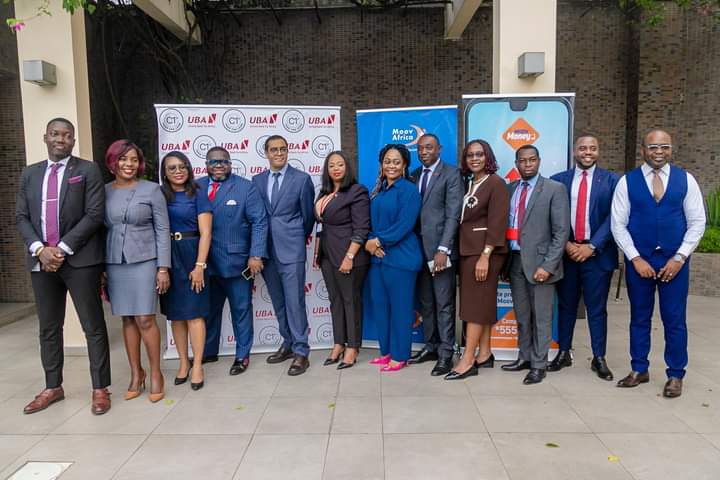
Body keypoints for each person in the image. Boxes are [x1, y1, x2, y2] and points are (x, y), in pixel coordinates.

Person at [15, 118, 111, 415]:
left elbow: (94, 214)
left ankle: (100, 388)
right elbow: (21, 216)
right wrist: (40, 250)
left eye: (67, 135)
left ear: (73, 140)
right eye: (55, 134)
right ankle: (53, 386)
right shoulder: (30, 173)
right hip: (41, 261)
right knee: (48, 327)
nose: (61, 139)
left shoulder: (87, 170)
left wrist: (61, 248)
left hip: (80, 260)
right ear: (45, 137)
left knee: (92, 325)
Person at [611, 129, 706, 398]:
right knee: (639, 317)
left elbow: (697, 222)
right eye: (653, 147)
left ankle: (675, 374)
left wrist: (680, 257)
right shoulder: (627, 182)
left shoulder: (686, 180)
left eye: (664, 146)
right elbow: (618, 224)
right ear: (643, 150)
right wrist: (635, 258)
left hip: (674, 262)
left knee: (674, 319)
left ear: (671, 149)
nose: (659, 152)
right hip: (640, 261)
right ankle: (639, 369)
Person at [104, 139, 170, 403]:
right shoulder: (103, 191)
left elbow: (163, 230)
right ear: (113, 162)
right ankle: (136, 373)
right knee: (127, 319)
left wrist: (163, 267)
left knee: (145, 318)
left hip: (145, 260)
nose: (128, 164)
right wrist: (100, 268)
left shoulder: (152, 190)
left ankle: (155, 373)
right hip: (114, 262)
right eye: (123, 159)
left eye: (133, 159)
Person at [549, 134, 619, 381]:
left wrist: (593, 246)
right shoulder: (558, 180)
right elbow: (552, 217)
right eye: (582, 148)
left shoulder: (612, 181)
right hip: (567, 254)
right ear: (574, 152)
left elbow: (615, 217)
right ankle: (563, 352)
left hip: (597, 255)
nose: (587, 152)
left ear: (598, 151)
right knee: (566, 306)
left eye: (592, 148)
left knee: (596, 309)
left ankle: (599, 357)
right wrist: (567, 244)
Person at [501, 144, 570, 385]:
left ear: (539, 161)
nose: (527, 164)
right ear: (516, 163)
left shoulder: (554, 189)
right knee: (522, 315)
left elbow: (561, 232)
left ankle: (539, 365)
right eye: (522, 160)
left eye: (532, 160)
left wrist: (548, 266)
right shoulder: (510, 189)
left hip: (541, 264)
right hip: (515, 261)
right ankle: (525, 356)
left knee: (541, 317)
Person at [198, 146, 267, 376]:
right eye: (213, 161)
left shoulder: (246, 187)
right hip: (204, 264)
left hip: (236, 263)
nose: (219, 165)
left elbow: (259, 222)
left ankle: (242, 355)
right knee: (208, 310)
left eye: (223, 161)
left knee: (241, 310)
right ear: (206, 165)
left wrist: (255, 255)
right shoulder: (196, 187)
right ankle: (208, 351)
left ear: (230, 164)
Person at [446, 140, 510, 380]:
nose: (475, 158)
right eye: (470, 155)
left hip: (484, 253)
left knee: (473, 307)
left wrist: (485, 255)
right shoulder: (469, 183)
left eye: (480, 154)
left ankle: (467, 360)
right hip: (467, 250)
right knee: (481, 303)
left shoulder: (496, 183)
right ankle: (484, 353)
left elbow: (497, 222)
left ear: (488, 157)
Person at [252, 135, 315, 376]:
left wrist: (294, 237)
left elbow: (307, 217)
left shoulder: (301, 179)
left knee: (294, 302)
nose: (279, 153)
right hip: (266, 252)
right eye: (274, 150)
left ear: (288, 151)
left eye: (283, 149)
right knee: (278, 302)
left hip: (291, 250)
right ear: (266, 153)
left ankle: (301, 351)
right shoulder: (257, 180)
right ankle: (288, 343)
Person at [407, 134, 463, 376]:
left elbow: (453, 215)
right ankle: (431, 346)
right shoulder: (414, 175)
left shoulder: (451, 174)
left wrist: (443, 249)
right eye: (420, 148)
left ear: (439, 149)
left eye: (429, 147)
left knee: (444, 304)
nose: (424, 152)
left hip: (440, 252)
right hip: (417, 251)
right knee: (427, 303)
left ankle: (446, 353)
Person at [365, 144, 423, 372]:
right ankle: (386, 351)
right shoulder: (379, 190)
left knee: (400, 309)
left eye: (396, 161)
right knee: (381, 307)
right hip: (378, 259)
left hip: (401, 259)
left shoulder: (409, 190)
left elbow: (404, 225)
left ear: (405, 165)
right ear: (381, 164)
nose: (391, 165)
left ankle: (400, 356)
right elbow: (370, 222)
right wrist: (371, 242)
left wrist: (378, 241)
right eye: (387, 161)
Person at [159, 151, 212, 390]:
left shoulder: (197, 193)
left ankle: (198, 364)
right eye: (172, 168)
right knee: (176, 314)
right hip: (167, 256)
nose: (178, 171)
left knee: (194, 314)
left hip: (192, 253)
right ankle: (183, 362)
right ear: (165, 173)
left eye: (183, 166)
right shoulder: (160, 195)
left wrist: (199, 266)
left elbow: (206, 233)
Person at [314, 151, 370, 369]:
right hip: (327, 255)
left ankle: (353, 347)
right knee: (335, 301)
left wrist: (349, 256)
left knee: (350, 301)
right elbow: (321, 225)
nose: (336, 169)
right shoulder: (325, 192)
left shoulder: (357, 191)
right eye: (331, 165)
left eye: (340, 164)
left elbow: (362, 228)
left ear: (347, 167)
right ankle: (339, 343)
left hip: (349, 256)